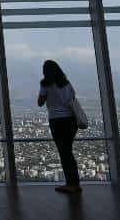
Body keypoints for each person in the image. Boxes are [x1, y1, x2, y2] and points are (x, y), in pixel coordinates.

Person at [37, 59, 81, 194]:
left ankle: (71, 184)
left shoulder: (45, 84)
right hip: (71, 120)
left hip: (57, 121)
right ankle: (75, 183)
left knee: (64, 153)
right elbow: (73, 98)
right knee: (68, 151)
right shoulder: (66, 83)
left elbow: (40, 102)